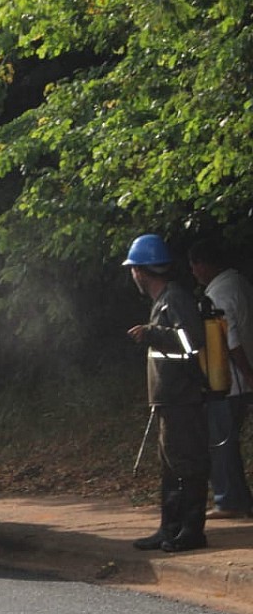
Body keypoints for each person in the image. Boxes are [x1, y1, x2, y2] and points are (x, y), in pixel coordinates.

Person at [124, 233, 210, 552]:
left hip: (183, 399)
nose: (132, 274)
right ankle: (169, 529)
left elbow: (192, 341)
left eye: (133, 269)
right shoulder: (161, 301)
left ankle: (191, 530)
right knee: (171, 467)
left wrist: (152, 333)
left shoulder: (175, 298)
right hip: (169, 400)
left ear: (142, 271)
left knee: (187, 464)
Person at [189, 239, 253, 519]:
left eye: (194, 267)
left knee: (221, 442)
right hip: (240, 378)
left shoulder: (217, 295)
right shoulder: (239, 284)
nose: (193, 273)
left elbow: (231, 339)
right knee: (228, 442)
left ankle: (229, 500)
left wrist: (248, 374)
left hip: (230, 381)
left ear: (202, 265)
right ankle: (237, 497)